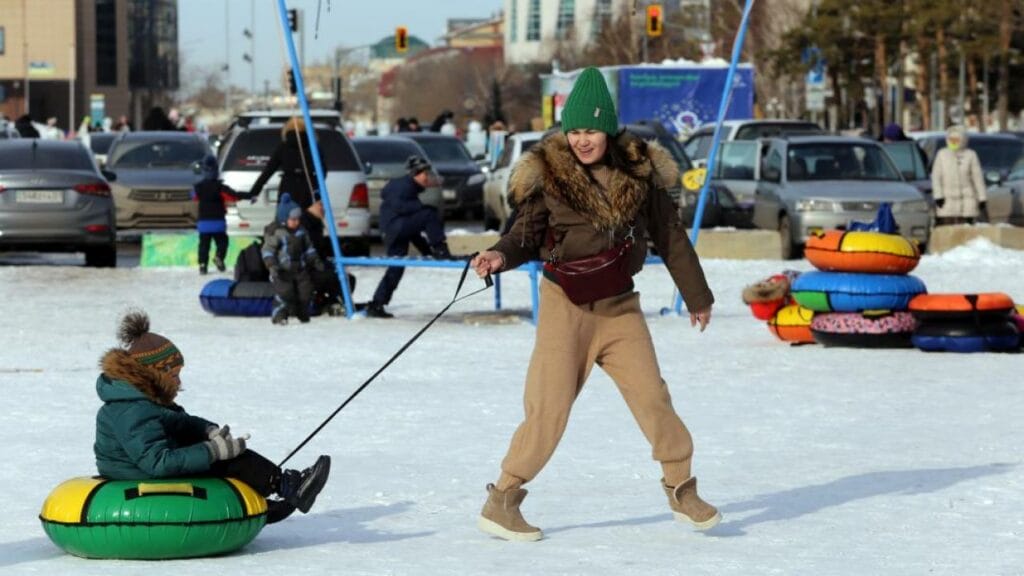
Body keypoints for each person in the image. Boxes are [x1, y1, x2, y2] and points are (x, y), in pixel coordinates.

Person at [469, 67, 719, 542]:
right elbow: (524, 234)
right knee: (549, 408)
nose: (583, 140)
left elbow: (670, 236)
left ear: (607, 129)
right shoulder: (551, 177)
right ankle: (502, 499)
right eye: (575, 130)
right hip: (566, 305)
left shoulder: (640, 175)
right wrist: (499, 255)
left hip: (620, 307)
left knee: (653, 397)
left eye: (591, 130)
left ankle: (681, 488)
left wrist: (697, 297)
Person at [95, 310, 331, 524]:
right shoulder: (131, 409)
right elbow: (158, 462)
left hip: (147, 464)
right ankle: (287, 485)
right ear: (155, 375)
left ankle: (271, 494)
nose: (179, 382)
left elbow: (179, 422)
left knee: (222, 454)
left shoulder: (144, 399)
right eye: (174, 375)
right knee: (225, 461)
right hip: (136, 473)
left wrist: (207, 431)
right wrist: (212, 451)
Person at [364, 156, 451, 319]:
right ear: (415, 174)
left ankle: (377, 303)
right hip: (395, 228)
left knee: (396, 267)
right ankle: (440, 248)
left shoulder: (407, 188)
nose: (427, 178)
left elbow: (412, 230)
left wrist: (426, 252)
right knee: (429, 213)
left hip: (394, 231)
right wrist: (439, 250)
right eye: (425, 174)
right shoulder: (402, 186)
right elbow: (399, 207)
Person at [250, 117, 328, 257]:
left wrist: (255, 191)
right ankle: (313, 255)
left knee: (285, 222)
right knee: (311, 223)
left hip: (288, 187)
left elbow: (268, 170)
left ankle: (285, 255)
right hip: (308, 187)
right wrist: (315, 184)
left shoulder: (283, 146)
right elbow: (323, 171)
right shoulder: (314, 147)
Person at [263, 193, 325, 325]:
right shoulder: (278, 233)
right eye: (293, 219)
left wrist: (315, 260)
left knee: (306, 291)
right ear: (284, 219)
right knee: (285, 293)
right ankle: (279, 314)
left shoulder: (302, 232)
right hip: (282, 270)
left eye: (298, 219)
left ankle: (302, 312)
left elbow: (309, 248)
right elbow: (268, 250)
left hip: (300, 269)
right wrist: (272, 264)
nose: (296, 222)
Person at [191, 156, 259, 275]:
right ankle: (219, 256)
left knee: (203, 245)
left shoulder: (198, 187)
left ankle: (203, 265)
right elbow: (234, 196)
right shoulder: (220, 188)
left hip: (204, 223)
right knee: (222, 241)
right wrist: (250, 196)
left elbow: (193, 197)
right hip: (218, 222)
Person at [931, 125, 987, 225]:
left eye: (956, 139)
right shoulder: (942, 155)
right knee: (948, 230)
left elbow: (977, 178)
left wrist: (982, 197)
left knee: (967, 231)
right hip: (947, 202)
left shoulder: (971, 155)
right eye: (951, 139)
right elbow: (936, 177)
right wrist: (938, 196)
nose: (954, 142)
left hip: (968, 201)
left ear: (963, 140)